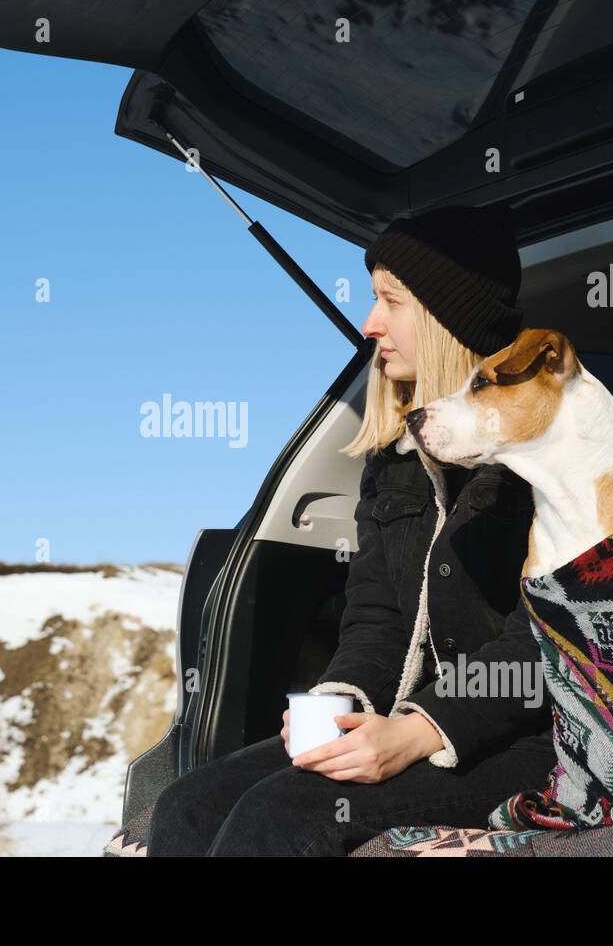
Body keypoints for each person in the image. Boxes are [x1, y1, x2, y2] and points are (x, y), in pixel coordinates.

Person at [114, 205, 556, 857]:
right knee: (188, 805)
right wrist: (337, 700)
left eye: (390, 301)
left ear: (444, 315)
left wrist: (418, 730)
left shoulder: (546, 450)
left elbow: (549, 636)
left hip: (527, 739)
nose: (369, 323)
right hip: (410, 718)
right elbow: (375, 617)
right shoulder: (395, 462)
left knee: (281, 817)